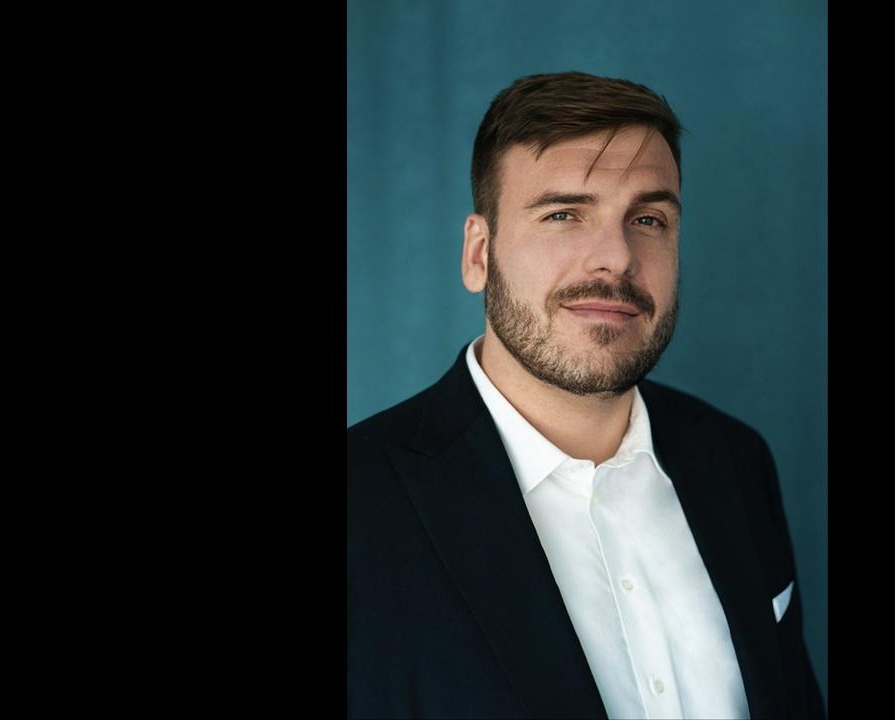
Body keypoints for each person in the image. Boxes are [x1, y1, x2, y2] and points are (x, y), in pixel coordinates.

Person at [348, 71, 825, 719]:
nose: (616, 258)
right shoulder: (361, 502)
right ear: (479, 255)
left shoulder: (737, 460)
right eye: (564, 215)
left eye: (648, 218)